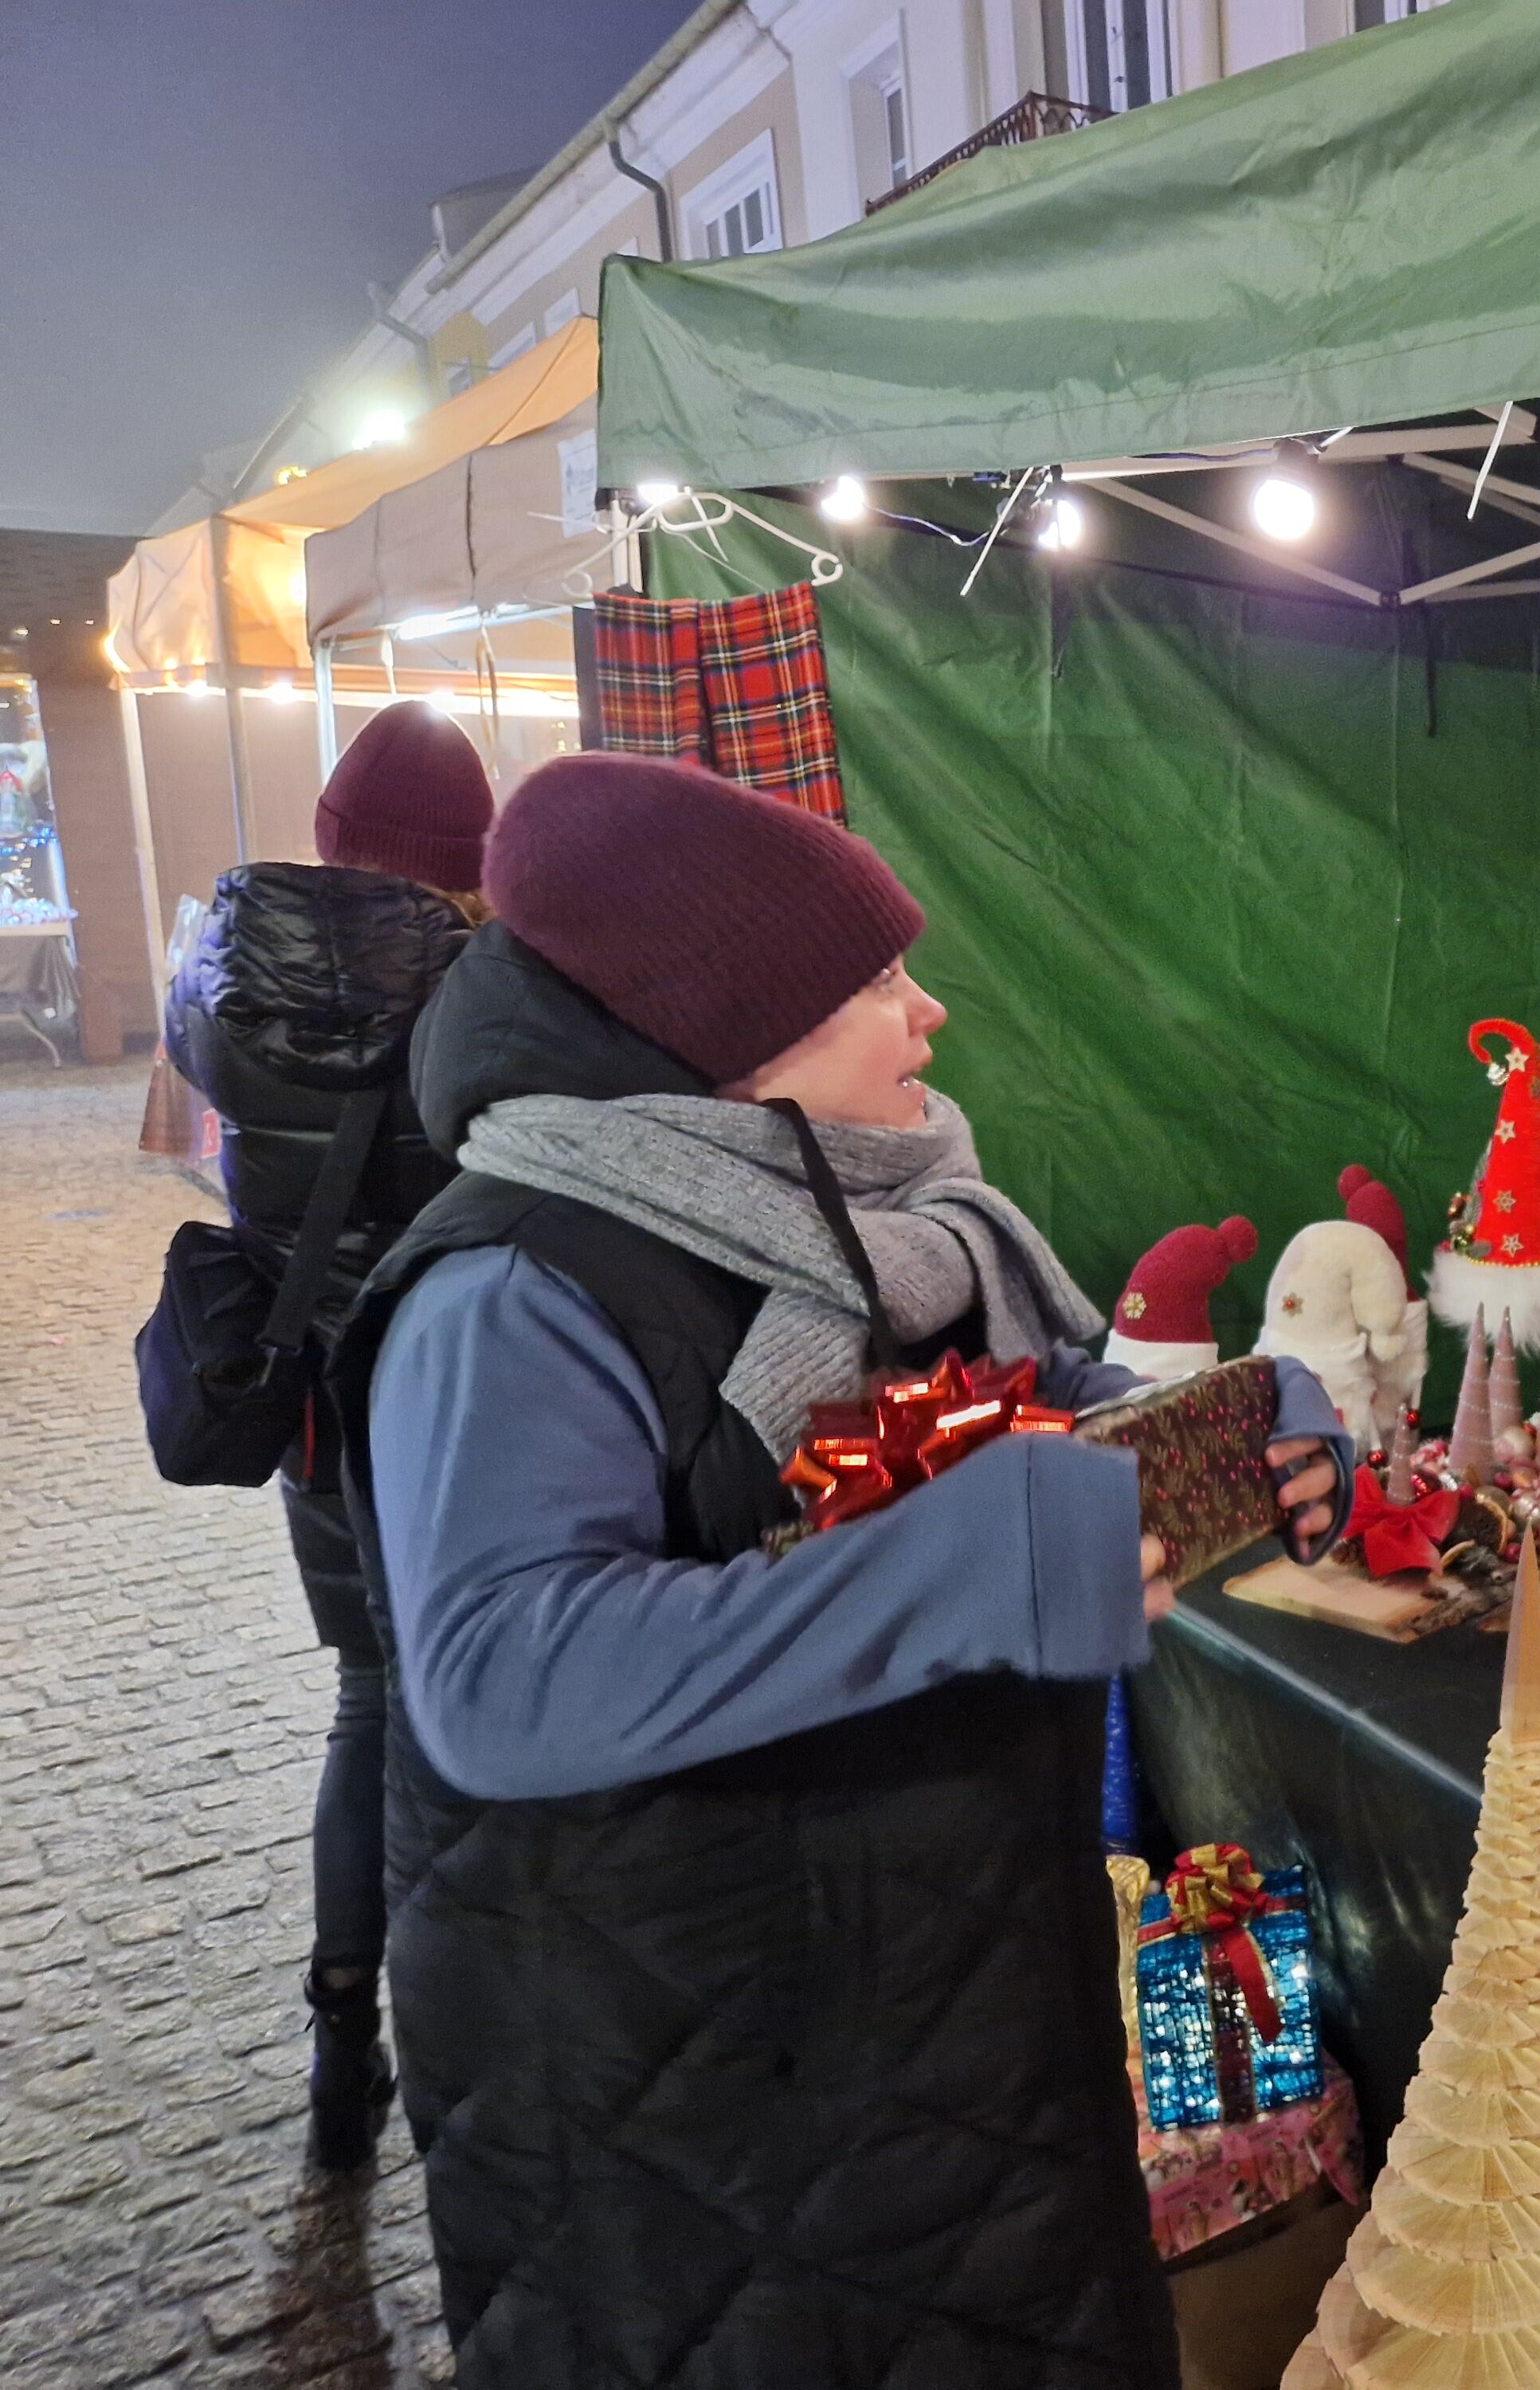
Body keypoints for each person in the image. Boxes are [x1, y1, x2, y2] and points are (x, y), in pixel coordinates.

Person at [327, 754, 1351, 2386]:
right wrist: (967, 1565)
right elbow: (503, 1678)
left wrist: (1213, 1421)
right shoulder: (516, 1283)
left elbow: (978, 1409)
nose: (928, 1014)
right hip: (688, 2116)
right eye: (877, 984)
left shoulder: (884, 1225)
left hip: (945, 2037)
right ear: (732, 1032)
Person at [163, 699, 488, 2168]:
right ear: (470, 856)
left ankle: (339, 2045)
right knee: (468, 1708)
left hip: (315, 1410)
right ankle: (476, 2050)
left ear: (330, 833)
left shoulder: (218, 974)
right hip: (457, 1404)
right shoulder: (486, 996)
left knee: (369, 1698)